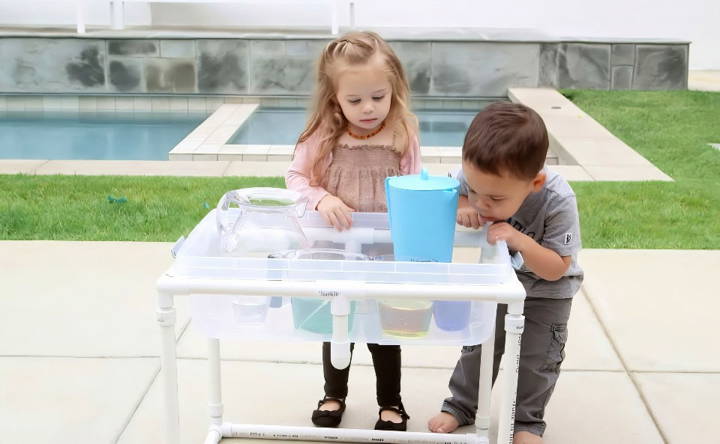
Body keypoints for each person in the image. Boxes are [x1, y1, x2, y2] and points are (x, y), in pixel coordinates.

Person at [285, 31, 421, 431]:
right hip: (335, 247)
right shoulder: (323, 136)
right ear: (334, 98)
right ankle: (333, 393)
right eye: (355, 100)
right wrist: (321, 199)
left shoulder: (402, 132)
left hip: (385, 248)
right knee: (337, 320)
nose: (368, 109)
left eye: (379, 97)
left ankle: (391, 401)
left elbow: (413, 184)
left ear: (394, 89)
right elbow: (295, 177)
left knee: (384, 328)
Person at [427, 102, 584, 444]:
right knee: (479, 346)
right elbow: (459, 194)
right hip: (497, 285)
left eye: (494, 198)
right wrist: (464, 203)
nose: (483, 203)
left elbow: (558, 267)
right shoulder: (478, 178)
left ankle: (527, 424)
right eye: (475, 190)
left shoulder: (558, 200)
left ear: (535, 182)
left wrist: (520, 240)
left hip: (545, 294)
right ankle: (461, 406)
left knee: (536, 360)